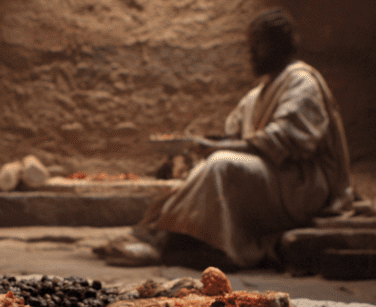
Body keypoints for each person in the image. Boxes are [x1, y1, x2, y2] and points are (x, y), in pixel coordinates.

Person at [99, 8, 354, 270]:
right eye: (250, 46)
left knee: (221, 164)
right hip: (275, 176)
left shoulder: (302, 81)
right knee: (201, 167)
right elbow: (234, 136)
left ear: (280, 46)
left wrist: (215, 148)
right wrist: (191, 149)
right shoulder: (258, 94)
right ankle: (158, 235)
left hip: (301, 185)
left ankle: (167, 242)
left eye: (259, 46)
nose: (251, 53)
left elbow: (281, 141)